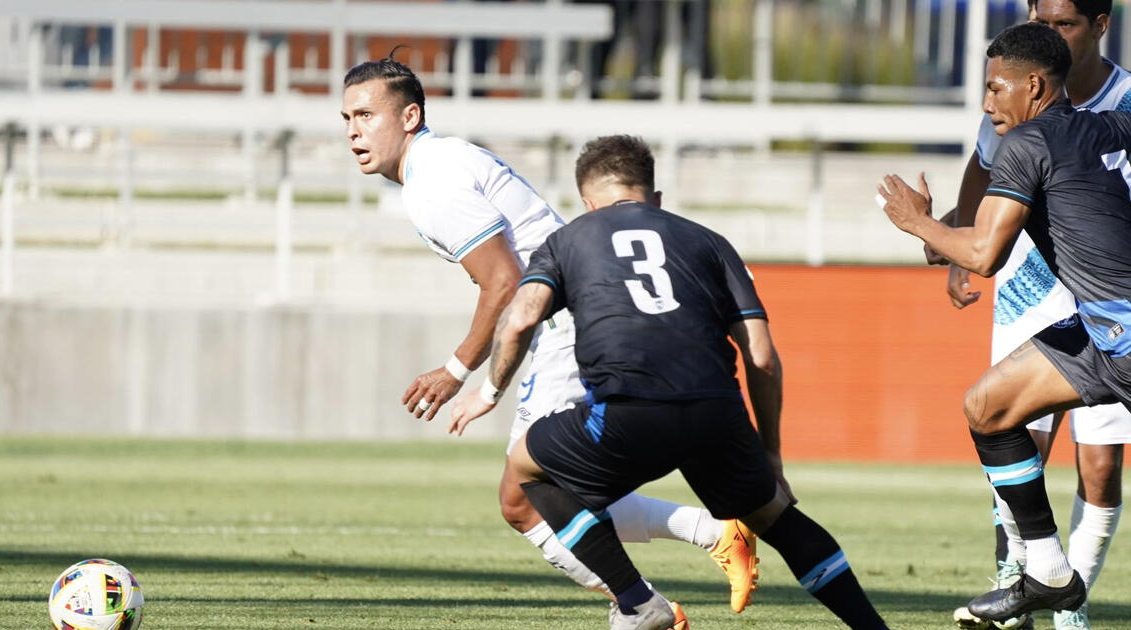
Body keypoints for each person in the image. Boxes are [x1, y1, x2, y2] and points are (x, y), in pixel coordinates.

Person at [339, 55, 760, 618]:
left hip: (565, 322)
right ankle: (692, 553)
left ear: (410, 115)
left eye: (367, 115)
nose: (353, 131)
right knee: (552, 489)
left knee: (525, 498)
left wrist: (459, 372)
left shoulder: (431, 183)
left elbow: (506, 281)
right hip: (579, 314)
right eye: (347, 118)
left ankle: (646, 599)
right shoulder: (443, 159)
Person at [452, 135, 890, 630]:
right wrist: (770, 456)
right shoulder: (709, 242)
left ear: (588, 202)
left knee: (528, 470)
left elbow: (517, 320)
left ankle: (637, 602)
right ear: (655, 198)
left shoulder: (571, 237)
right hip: (715, 412)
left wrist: (488, 391)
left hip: (626, 414)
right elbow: (762, 358)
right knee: (775, 518)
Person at [877, 21, 1131, 622]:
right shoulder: (1100, 125)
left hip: (1120, 335)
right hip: (1101, 334)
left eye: (996, 89)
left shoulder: (1026, 144)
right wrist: (946, 234)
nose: (988, 103)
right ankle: (1047, 573)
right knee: (988, 408)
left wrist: (918, 222)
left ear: (1034, 86)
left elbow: (984, 256)